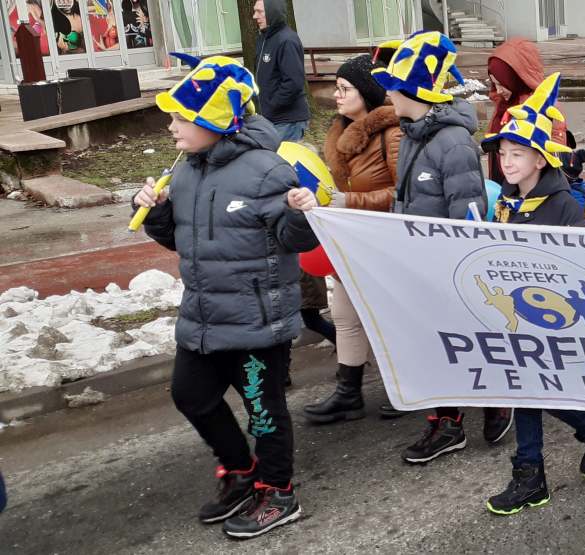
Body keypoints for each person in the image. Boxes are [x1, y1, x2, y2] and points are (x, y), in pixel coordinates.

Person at [134, 55, 320, 538]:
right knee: (190, 395)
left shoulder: (267, 170)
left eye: (181, 117)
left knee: (264, 412)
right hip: (203, 314)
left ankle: (278, 493)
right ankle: (240, 471)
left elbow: (294, 241)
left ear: (215, 119)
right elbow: (183, 241)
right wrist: (157, 212)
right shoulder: (186, 171)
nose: (171, 126)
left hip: (257, 322)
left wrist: (301, 212)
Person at [479, 73, 585, 515]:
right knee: (527, 390)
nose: (506, 162)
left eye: (517, 153)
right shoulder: (506, 201)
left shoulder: (563, 205)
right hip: (519, 316)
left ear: (540, 160)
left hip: (557, 319)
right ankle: (541, 469)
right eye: (503, 153)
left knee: (540, 393)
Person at [371, 31, 506, 461]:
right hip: (418, 266)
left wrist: (453, 269)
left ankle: (495, 400)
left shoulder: (453, 142)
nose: (387, 93)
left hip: (445, 270)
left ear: (412, 90)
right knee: (433, 346)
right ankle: (448, 421)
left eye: (393, 85)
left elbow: (467, 217)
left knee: (461, 343)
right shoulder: (412, 133)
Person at [301, 53, 402, 425]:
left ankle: (406, 387)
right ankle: (349, 393)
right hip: (348, 237)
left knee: (389, 319)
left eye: (345, 89)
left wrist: (350, 201)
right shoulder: (339, 132)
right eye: (337, 88)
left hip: (383, 241)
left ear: (367, 93)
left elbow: (403, 192)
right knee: (344, 315)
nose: (336, 95)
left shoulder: (392, 133)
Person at [486, 38, 567, 181]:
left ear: (515, 78)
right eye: (494, 84)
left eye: (502, 84)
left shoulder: (545, 107)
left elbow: (554, 153)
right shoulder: (504, 103)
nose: (498, 90)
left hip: (530, 187)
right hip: (505, 184)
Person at [251, 0, 309, 141]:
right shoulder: (264, 39)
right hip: (271, 119)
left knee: (282, 156)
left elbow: (293, 82)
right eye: (255, 11)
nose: (254, 16)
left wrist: (272, 106)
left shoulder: (287, 40)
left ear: (273, 12)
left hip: (287, 121)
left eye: (259, 11)